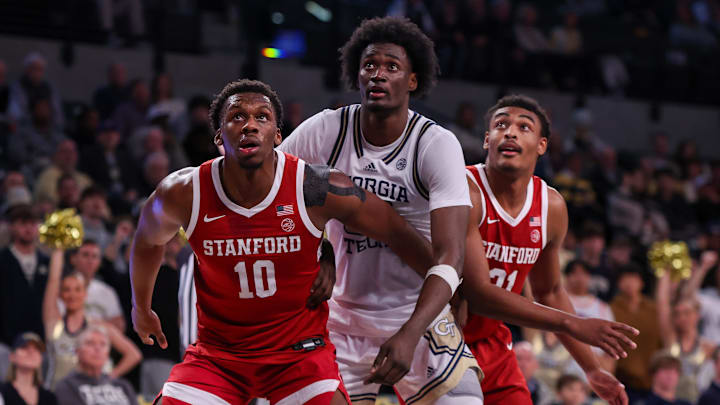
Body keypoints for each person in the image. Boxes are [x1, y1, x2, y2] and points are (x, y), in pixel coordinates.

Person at [131, 78, 441, 404]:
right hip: (218, 356)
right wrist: (141, 307)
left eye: (262, 117)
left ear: (277, 136)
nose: (250, 125)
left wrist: (449, 285)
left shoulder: (316, 186)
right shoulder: (183, 192)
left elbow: (396, 231)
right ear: (220, 136)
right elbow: (148, 241)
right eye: (237, 117)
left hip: (298, 355)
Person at [278, 16, 484, 403]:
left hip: (414, 315)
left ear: (412, 80)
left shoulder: (435, 144)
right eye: (370, 65)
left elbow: (450, 256)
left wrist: (410, 332)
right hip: (340, 320)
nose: (378, 74)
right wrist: (319, 249)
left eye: (392, 66)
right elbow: (268, 188)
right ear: (356, 74)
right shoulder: (326, 130)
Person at [463, 95, 632, 405]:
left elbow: (551, 291)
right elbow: (478, 293)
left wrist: (592, 369)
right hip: (440, 338)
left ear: (542, 145)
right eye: (501, 125)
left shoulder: (551, 206)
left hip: (492, 342)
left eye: (523, 127)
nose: (510, 132)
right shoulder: (464, 188)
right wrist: (573, 323)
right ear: (487, 140)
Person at [43, 248, 142, 388]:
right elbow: (52, 281)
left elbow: (134, 354)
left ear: (85, 294)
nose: (72, 295)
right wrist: (58, 246)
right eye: (66, 289)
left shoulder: (99, 327)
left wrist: (109, 377)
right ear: (60, 295)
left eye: (77, 289)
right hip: (56, 396)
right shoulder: (54, 324)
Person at [0, 205, 48, 346]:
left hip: (40, 338)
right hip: (5, 337)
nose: (28, 228)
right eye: (22, 223)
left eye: (32, 223)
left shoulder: (47, 262)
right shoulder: (2, 260)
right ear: (12, 227)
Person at [54, 326, 139, 405]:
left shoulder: (123, 385)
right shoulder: (67, 386)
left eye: (103, 344)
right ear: (77, 351)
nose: (98, 348)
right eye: (90, 343)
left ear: (108, 353)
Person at [0, 332, 57, 405]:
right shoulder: (3, 393)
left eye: (37, 348)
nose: (31, 351)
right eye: (24, 347)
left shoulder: (49, 398)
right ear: (12, 356)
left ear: (41, 358)